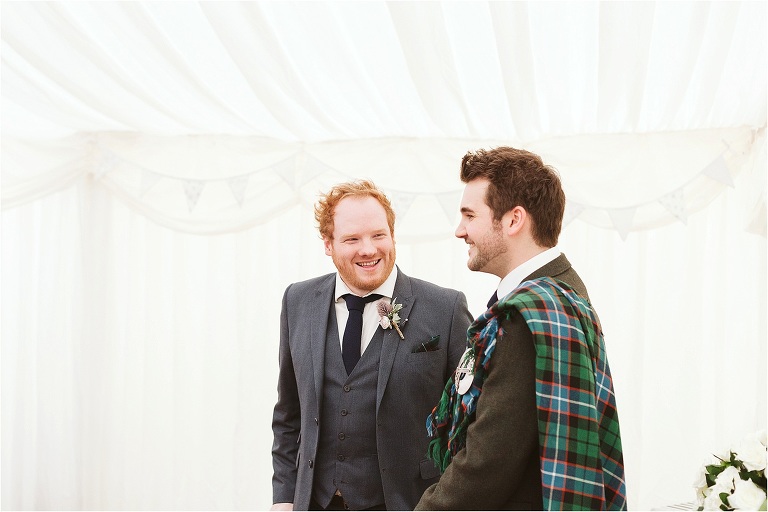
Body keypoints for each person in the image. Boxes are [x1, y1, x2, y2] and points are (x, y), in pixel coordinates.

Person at [416, 147, 627, 510]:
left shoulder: (530, 312)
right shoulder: (559, 291)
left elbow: (488, 462)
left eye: (469, 215)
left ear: (514, 220)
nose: (459, 230)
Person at [271, 180, 473, 511]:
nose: (368, 249)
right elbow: (289, 414)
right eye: (352, 239)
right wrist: (284, 497)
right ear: (328, 244)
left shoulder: (445, 309)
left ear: (392, 235)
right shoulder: (298, 301)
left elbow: (470, 421)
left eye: (378, 235)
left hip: (409, 503)